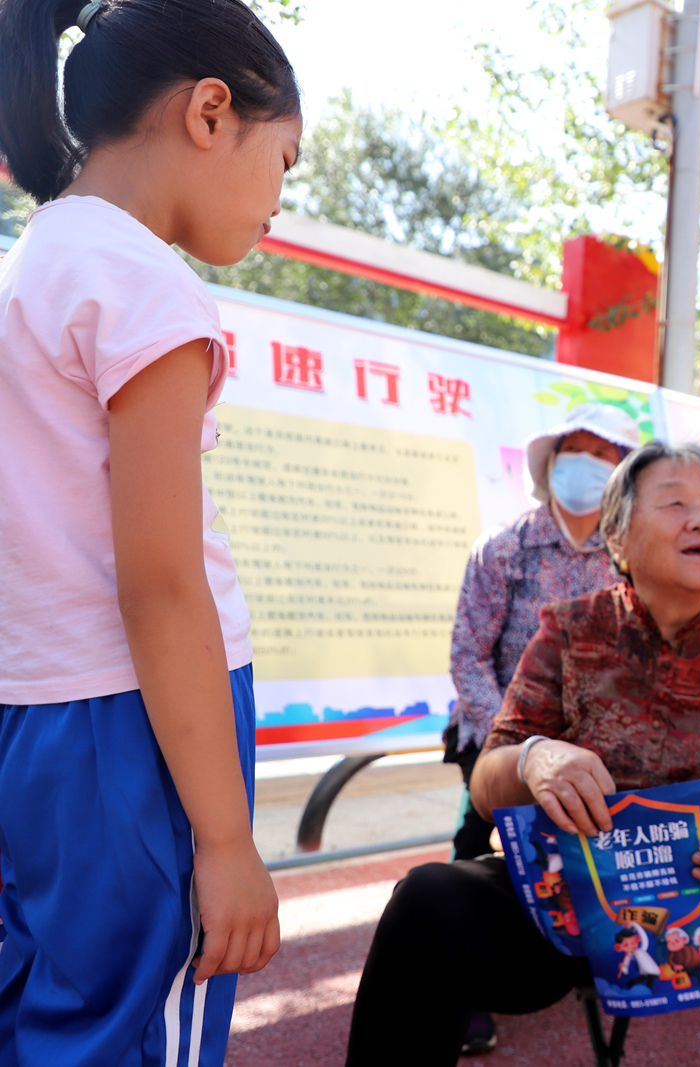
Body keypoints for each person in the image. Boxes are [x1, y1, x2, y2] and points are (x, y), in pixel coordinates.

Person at [345, 442, 700, 1066]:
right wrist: (535, 760)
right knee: (428, 897)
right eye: (676, 503)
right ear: (618, 540)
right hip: (571, 894)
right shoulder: (569, 632)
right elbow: (491, 780)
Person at [0, 1, 300, 1061]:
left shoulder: (35, 262)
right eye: (284, 160)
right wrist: (223, 839)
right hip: (138, 722)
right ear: (211, 113)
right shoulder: (141, 283)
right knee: (137, 1035)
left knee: (51, 1022)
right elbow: (163, 583)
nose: (279, 201)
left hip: (34, 716)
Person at [447, 404, 639, 859]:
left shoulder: (630, 559)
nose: (584, 461)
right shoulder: (503, 548)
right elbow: (468, 658)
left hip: (599, 746)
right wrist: (513, 742)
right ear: (551, 461)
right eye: (573, 449)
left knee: (592, 861)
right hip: (498, 734)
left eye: (600, 452)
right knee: (476, 854)